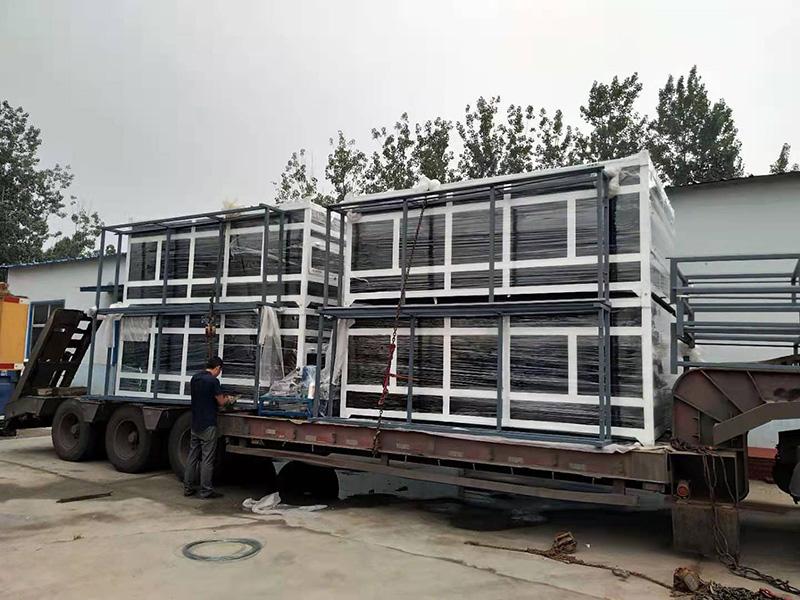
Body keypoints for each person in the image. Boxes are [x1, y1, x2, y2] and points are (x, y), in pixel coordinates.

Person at [183, 356, 229, 499]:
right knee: (207, 459)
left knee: (192, 456)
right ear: (218, 368)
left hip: (195, 423)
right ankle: (206, 490)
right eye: (220, 371)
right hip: (208, 424)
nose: (219, 374)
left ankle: (188, 487)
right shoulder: (213, 381)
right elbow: (221, 402)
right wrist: (229, 399)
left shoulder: (195, 378)